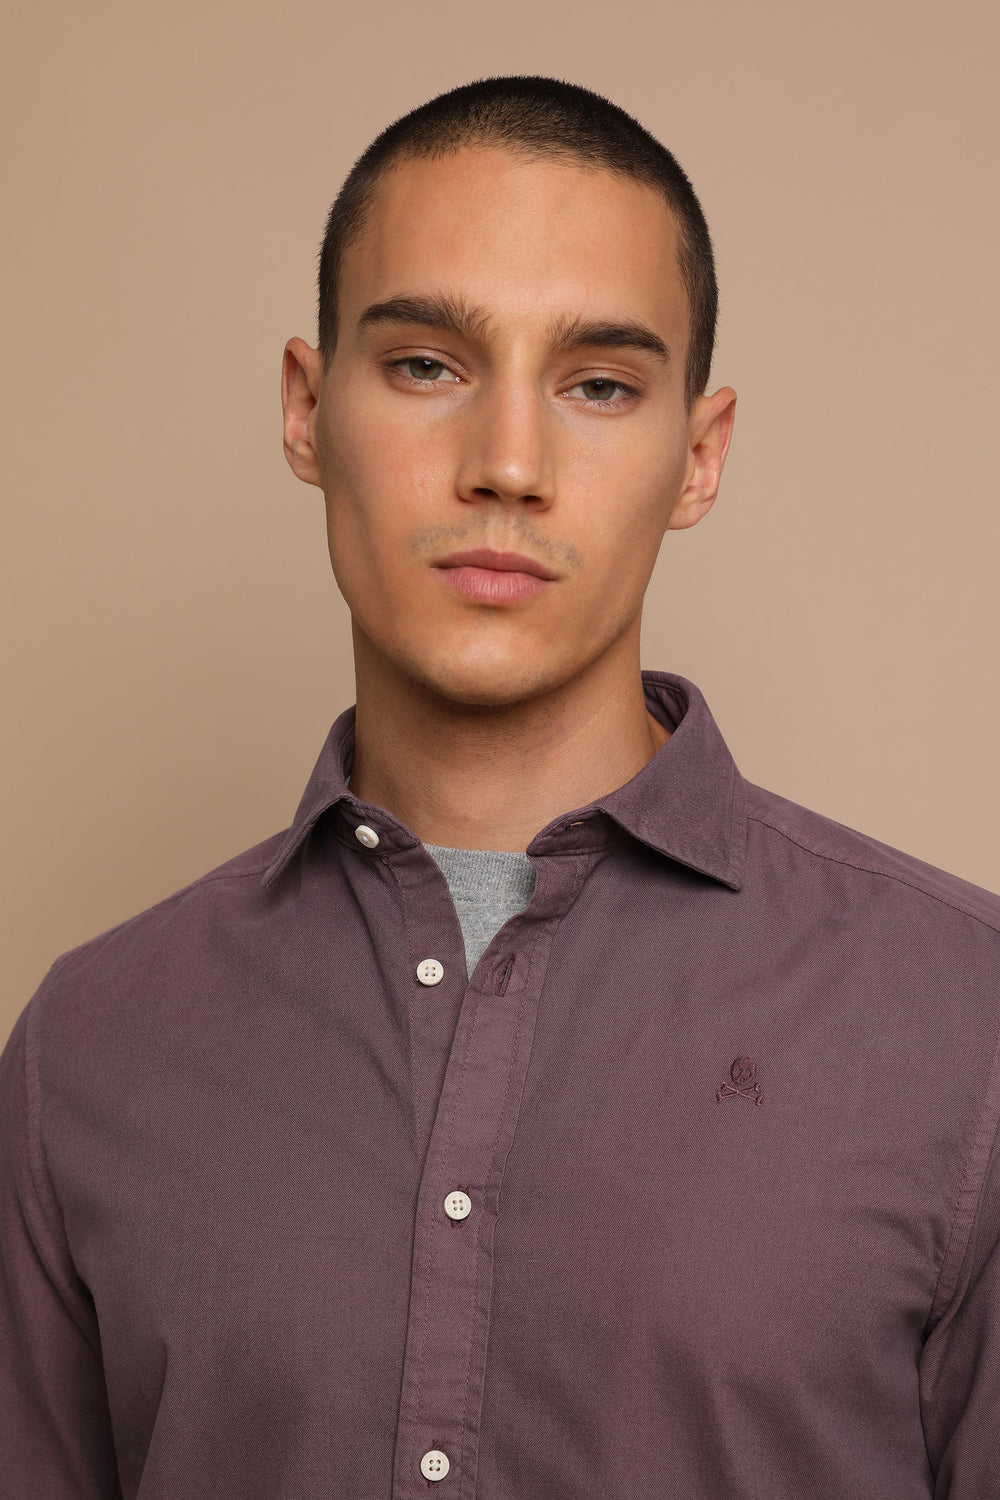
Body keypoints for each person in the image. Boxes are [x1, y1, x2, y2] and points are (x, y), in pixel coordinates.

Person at [1, 74, 997, 1500]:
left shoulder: (966, 1030)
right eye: (427, 365)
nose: (509, 467)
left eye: (599, 386)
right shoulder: (87, 1051)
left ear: (699, 457)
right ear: (306, 411)